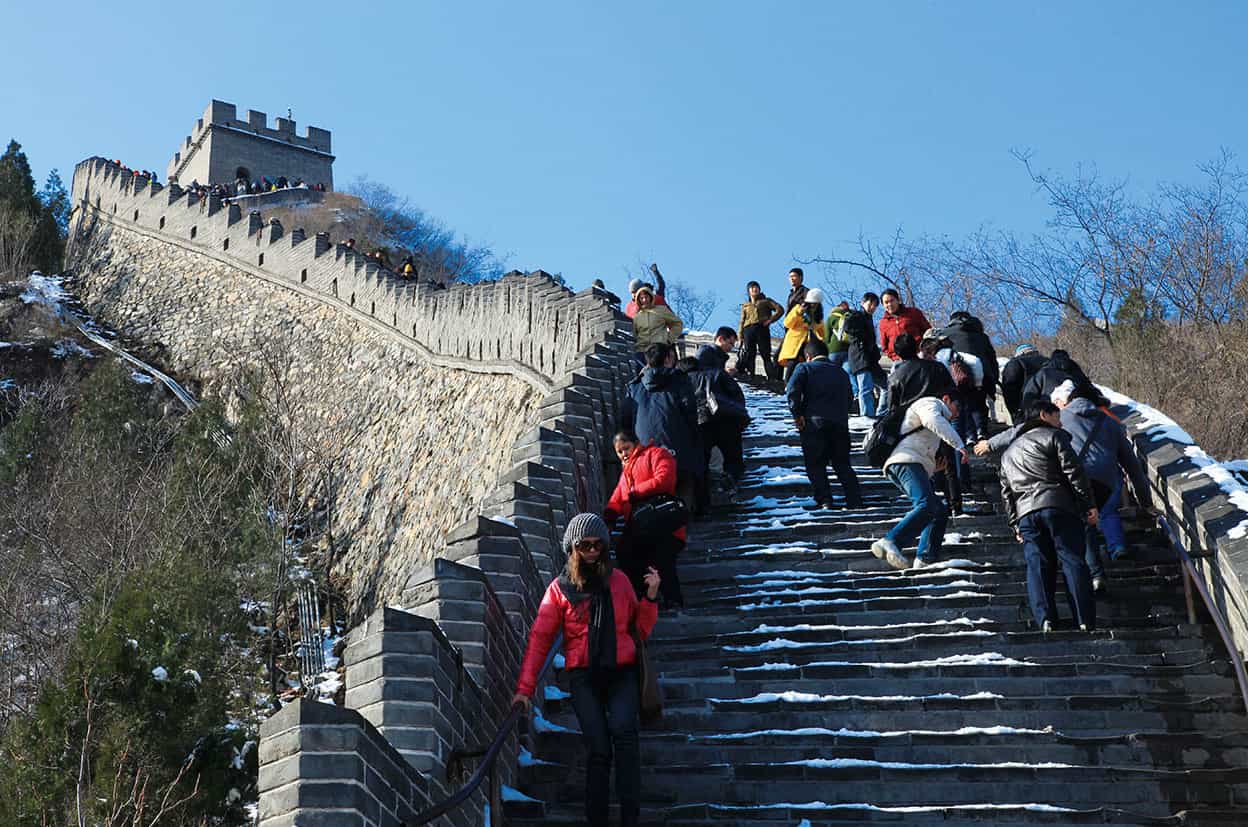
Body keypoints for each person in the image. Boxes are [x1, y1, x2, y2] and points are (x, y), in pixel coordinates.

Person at [513, 513, 660, 827]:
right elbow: (540, 638)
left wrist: (650, 598)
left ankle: (630, 817)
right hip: (584, 678)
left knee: (624, 735)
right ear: (572, 549)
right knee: (599, 749)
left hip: (622, 672)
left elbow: (640, 631)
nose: (592, 551)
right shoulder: (560, 590)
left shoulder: (619, 581)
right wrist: (525, 690)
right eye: (585, 545)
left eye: (598, 545)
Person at [1000, 400, 1099, 632]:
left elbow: (1007, 494)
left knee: (1037, 565)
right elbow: (1074, 471)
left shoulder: (1008, 454)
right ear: (1044, 415)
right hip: (1058, 504)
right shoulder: (1053, 436)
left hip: (1026, 513)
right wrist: (1088, 504)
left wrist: (1015, 524)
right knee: (1072, 559)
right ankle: (1083, 619)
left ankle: (1045, 619)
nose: (1060, 422)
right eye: (1057, 416)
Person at [1051, 380, 1154, 592]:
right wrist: (1145, 502)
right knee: (1107, 512)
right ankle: (1116, 547)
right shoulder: (1110, 422)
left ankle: (1094, 574)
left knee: (1084, 523)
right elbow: (1132, 466)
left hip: (1076, 478)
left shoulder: (1060, 418)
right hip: (1107, 479)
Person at [871, 389, 966, 570]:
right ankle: (891, 540)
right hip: (905, 461)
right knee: (926, 504)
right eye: (957, 407)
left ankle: (926, 559)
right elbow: (931, 421)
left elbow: (922, 446)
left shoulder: (937, 419)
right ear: (946, 398)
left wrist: (933, 467)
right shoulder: (931, 403)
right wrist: (958, 444)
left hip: (911, 463)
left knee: (938, 510)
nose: (958, 414)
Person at [605, 431, 686, 607]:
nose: (623, 454)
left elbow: (665, 479)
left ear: (636, 443)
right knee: (626, 554)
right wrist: (610, 514)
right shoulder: (625, 472)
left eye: (626, 448)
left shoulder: (656, 454)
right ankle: (645, 599)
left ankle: (672, 601)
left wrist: (637, 492)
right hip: (639, 528)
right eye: (619, 452)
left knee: (662, 560)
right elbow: (618, 497)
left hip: (663, 525)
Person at [620, 343, 703, 513]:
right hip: (677, 451)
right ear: (668, 358)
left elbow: (625, 422)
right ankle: (680, 523)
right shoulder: (680, 380)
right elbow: (690, 414)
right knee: (684, 479)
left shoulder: (634, 387)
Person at [786, 337, 863, 509]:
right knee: (842, 463)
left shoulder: (804, 368)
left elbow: (792, 391)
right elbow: (850, 398)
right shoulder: (841, 372)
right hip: (840, 424)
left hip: (814, 423)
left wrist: (797, 414)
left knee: (815, 464)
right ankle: (854, 499)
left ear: (808, 356)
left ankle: (825, 500)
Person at [692, 329, 749, 496]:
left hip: (708, 415)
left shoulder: (713, 361)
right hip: (715, 414)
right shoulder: (708, 356)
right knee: (729, 455)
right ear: (720, 339)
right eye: (730, 342)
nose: (731, 347)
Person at [1020, 349, 1097, 413]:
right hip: (1082, 413)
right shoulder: (1077, 374)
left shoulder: (1043, 373)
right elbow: (1094, 393)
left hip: (1051, 416)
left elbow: (1029, 397)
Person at [843, 292, 882, 417]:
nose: (872, 307)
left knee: (886, 386)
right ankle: (866, 415)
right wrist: (862, 337)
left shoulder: (869, 320)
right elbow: (847, 327)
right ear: (863, 303)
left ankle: (881, 412)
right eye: (870, 303)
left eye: (875, 305)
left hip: (870, 359)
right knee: (865, 388)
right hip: (860, 357)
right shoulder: (856, 315)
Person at [737, 281, 784, 379]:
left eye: (756, 287)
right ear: (748, 291)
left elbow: (780, 310)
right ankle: (751, 376)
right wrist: (740, 335)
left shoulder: (766, 301)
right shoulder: (746, 305)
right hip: (748, 330)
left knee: (765, 354)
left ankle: (772, 378)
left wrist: (770, 320)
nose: (755, 289)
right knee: (750, 354)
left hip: (761, 329)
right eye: (752, 287)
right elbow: (742, 321)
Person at [777, 287, 826, 379]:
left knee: (805, 366)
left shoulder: (818, 316)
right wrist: (798, 312)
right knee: (792, 363)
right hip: (795, 342)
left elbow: (822, 333)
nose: (813, 306)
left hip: (808, 344)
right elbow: (787, 323)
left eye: (815, 304)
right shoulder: (798, 309)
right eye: (812, 303)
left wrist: (822, 342)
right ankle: (787, 384)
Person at [629, 286, 683, 364]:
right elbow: (634, 333)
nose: (644, 300)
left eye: (646, 297)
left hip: (659, 349)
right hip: (643, 351)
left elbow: (677, 323)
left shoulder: (661, 310)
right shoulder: (637, 316)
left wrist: (669, 339)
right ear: (638, 300)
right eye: (641, 298)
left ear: (651, 297)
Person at [877, 289, 931, 363]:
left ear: (898, 300)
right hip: (898, 360)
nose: (889, 304)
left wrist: (923, 351)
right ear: (883, 305)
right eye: (886, 302)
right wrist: (894, 357)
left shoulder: (914, 313)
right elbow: (884, 346)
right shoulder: (883, 323)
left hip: (919, 355)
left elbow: (928, 331)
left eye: (892, 300)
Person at [1000, 344, 1049, 424]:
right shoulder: (1050, 362)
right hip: (1053, 409)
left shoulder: (1015, 362)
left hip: (1027, 411)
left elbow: (1009, 389)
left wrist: (1014, 412)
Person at [823, 300, 852, 369]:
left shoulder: (831, 317)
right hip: (848, 350)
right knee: (847, 373)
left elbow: (827, 336)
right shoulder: (851, 316)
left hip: (834, 349)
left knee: (832, 373)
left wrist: (826, 349)